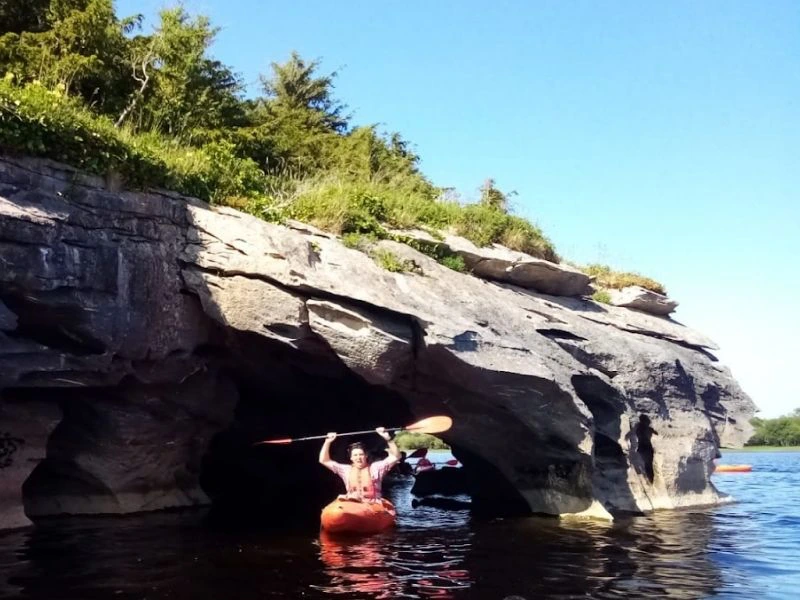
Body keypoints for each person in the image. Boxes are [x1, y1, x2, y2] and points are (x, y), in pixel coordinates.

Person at [319, 427, 401, 502]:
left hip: (373, 504)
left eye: (361, 454)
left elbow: (396, 456)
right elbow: (324, 460)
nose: (358, 457)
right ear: (351, 458)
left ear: (366, 456)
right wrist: (327, 442)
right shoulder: (346, 469)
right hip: (353, 503)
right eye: (355, 455)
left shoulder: (377, 467)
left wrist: (388, 439)